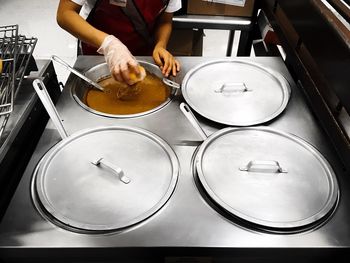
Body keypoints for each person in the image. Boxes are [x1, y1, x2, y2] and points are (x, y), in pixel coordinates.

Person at [57, 0, 181, 85]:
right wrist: (110, 45)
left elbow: (165, 20)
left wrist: (160, 45)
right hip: (99, 54)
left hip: (143, 53)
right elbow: (65, 14)